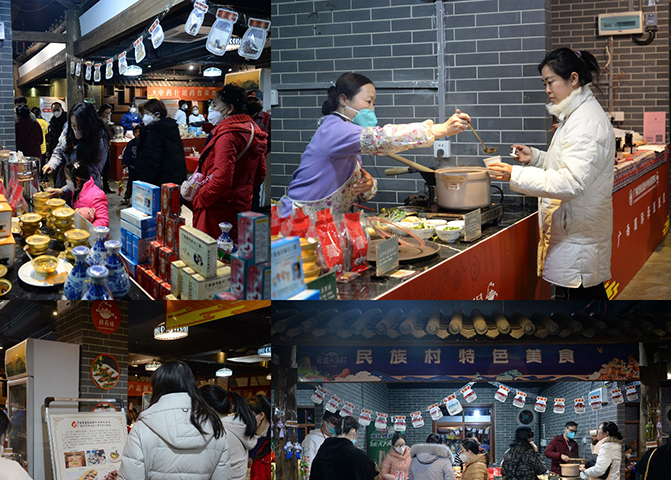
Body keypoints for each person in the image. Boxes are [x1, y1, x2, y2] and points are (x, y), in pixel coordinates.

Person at [487, 49, 615, 300]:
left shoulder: (586, 122)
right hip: (574, 231)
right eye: (544, 83)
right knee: (585, 301)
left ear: (574, 79)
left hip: (578, 237)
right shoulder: (575, 115)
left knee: (583, 305)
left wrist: (515, 175)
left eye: (550, 82)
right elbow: (567, 165)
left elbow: (571, 182)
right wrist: (535, 157)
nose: (547, 90)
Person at [281, 72, 470, 220]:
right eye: (368, 102)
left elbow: (355, 188)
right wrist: (441, 129)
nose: (372, 109)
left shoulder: (350, 133)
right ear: (344, 100)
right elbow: (381, 139)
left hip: (327, 222)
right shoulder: (334, 129)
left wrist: (368, 185)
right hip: (300, 220)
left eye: (374, 103)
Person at [186, 85, 268, 239]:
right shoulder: (252, 129)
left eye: (215, 105)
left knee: (214, 247)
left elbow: (221, 179)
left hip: (218, 205)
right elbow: (260, 173)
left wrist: (199, 200)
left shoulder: (228, 134)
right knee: (235, 245)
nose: (212, 109)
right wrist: (242, 189)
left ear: (229, 109)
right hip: (241, 202)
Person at [43, 101, 108, 190]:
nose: (76, 133)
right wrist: (52, 164)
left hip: (87, 190)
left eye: (80, 128)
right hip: (64, 182)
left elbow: (92, 173)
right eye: (74, 126)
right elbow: (59, 151)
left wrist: (64, 190)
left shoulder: (99, 139)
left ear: (89, 125)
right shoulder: (67, 129)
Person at [128, 99, 187, 188]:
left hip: (158, 182)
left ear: (157, 114)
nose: (144, 117)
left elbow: (152, 161)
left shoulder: (155, 133)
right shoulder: (170, 129)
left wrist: (144, 184)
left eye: (147, 113)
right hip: (174, 179)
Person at [47, 160, 109, 228]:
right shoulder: (77, 188)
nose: (67, 181)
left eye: (68, 179)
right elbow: (70, 190)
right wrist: (61, 191)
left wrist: (88, 231)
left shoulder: (97, 195)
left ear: (77, 180)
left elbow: (103, 221)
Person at [301, 411, 341, 480]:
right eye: (333, 424)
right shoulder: (312, 439)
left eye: (338, 425)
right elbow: (307, 464)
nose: (336, 427)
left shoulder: (335, 439)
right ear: (324, 423)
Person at [98, 103, 115, 193]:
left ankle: (106, 186)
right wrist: (103, 123)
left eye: (109, 113)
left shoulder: (107, 120)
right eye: (106, 113)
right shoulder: (97, 120)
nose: (107, 115)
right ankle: (98, 187)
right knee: (99, 167)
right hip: (99, 148)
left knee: (107, 167)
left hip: (106, 146)